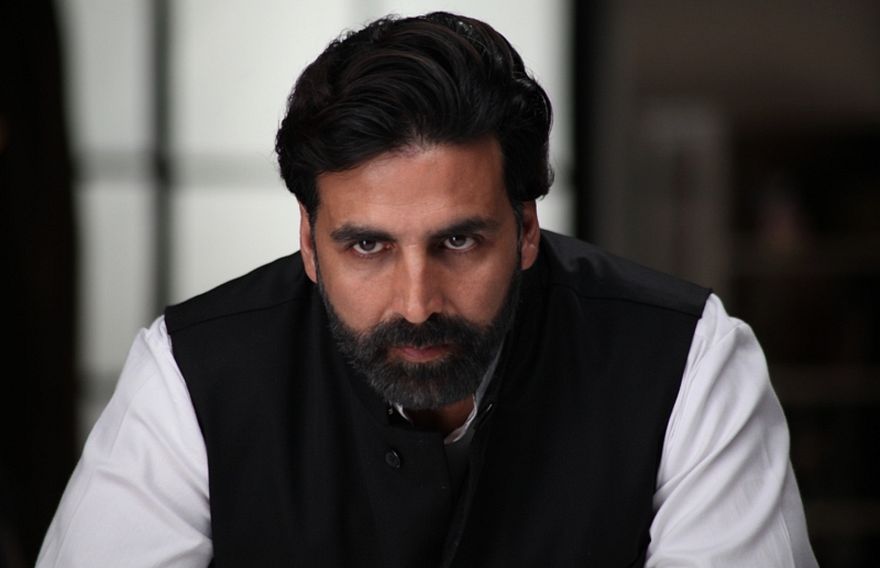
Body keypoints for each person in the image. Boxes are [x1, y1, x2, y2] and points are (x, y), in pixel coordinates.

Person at [37, 11, 818, 567]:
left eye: (459, 241)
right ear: (308, 240)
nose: (417, 303)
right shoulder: (191, 374)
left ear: (527, 226)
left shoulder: (687, 361)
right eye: (367, 246)